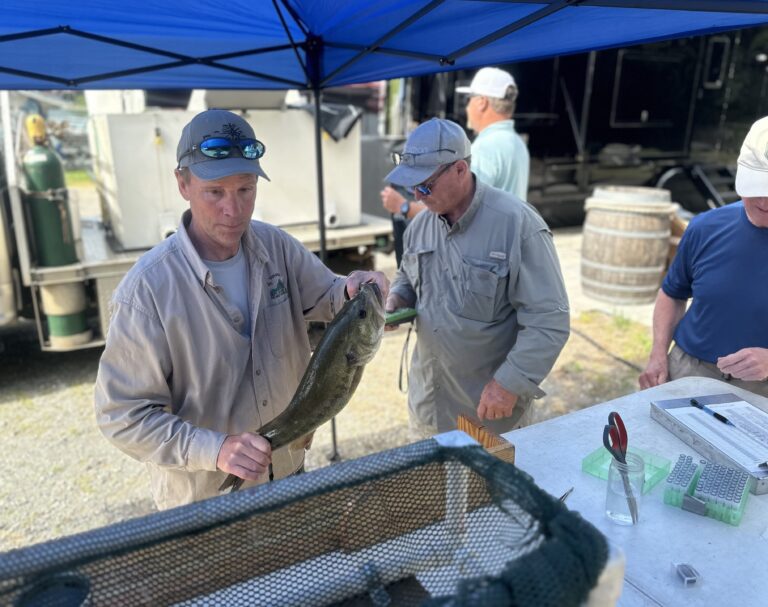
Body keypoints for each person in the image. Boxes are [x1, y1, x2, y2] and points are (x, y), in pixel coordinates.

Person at [94, 109, 389, 510]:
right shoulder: (147, 290)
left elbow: (330, 296)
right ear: (183, 183)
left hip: (288, 473)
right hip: (203, 499)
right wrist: (215, 449)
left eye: (246, 190)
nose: (233, 210)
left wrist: (352, 288)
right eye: (215, 192)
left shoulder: (277, 247)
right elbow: (122, 415)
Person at [384, 118, 569, 436]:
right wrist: (396, 301)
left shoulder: (517, 225)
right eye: (411, 186)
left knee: (486, 488)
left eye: (425, 185)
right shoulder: (420, 225)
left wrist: (509, 384)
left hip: (488, 413)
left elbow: (549, 321)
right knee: (429, 487)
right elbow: (406, 276)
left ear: (459, 169)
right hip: (428, 404)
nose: (416, 195)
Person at [638, 117, 768, 396]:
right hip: (687, 369)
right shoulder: (706, 226)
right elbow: (673, 294)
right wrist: (659, 353)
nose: (763, 201)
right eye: (755, 186)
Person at [380, 66, 529, 223]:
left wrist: (404, 207)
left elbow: (456, 212)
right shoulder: (516, 142)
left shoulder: (486, 148)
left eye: (468, 99)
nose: (466, 107)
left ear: (481, 103)